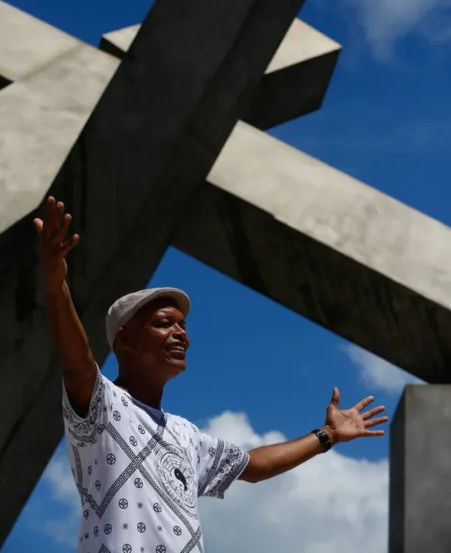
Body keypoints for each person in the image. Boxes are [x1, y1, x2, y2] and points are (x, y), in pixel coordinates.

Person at [34, 197, 388, 553]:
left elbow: (254, 465)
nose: (180, 333)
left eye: (183, 325)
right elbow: (77, 359)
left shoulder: (185, 434)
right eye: (163, 324)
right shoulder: (103, 406)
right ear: (124, 341)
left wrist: (327, 434)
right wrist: (55, 283)